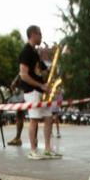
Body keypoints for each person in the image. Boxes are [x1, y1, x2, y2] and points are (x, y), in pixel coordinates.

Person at [18, 25, 58, 160]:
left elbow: (43, 70)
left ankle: (47, 148)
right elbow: (23, 75)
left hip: (41, 90)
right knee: (34, 119)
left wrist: (52, 65)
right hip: (32, 91)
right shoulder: (26, 52)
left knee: (48, 117)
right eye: (40, 34)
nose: (41, 36)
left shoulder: (35, 53)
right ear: (33, 34)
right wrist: (40, 85)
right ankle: (33, 150)